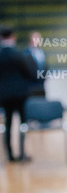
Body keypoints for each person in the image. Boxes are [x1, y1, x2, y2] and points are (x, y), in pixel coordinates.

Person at [0, 27, 34, 162]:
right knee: (22, 123)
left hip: (4, 96)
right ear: (13, 37)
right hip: (20, 95)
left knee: (7, 124)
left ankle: (9, 155)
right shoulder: (19, 54)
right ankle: (22, 153)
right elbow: (29, 73)